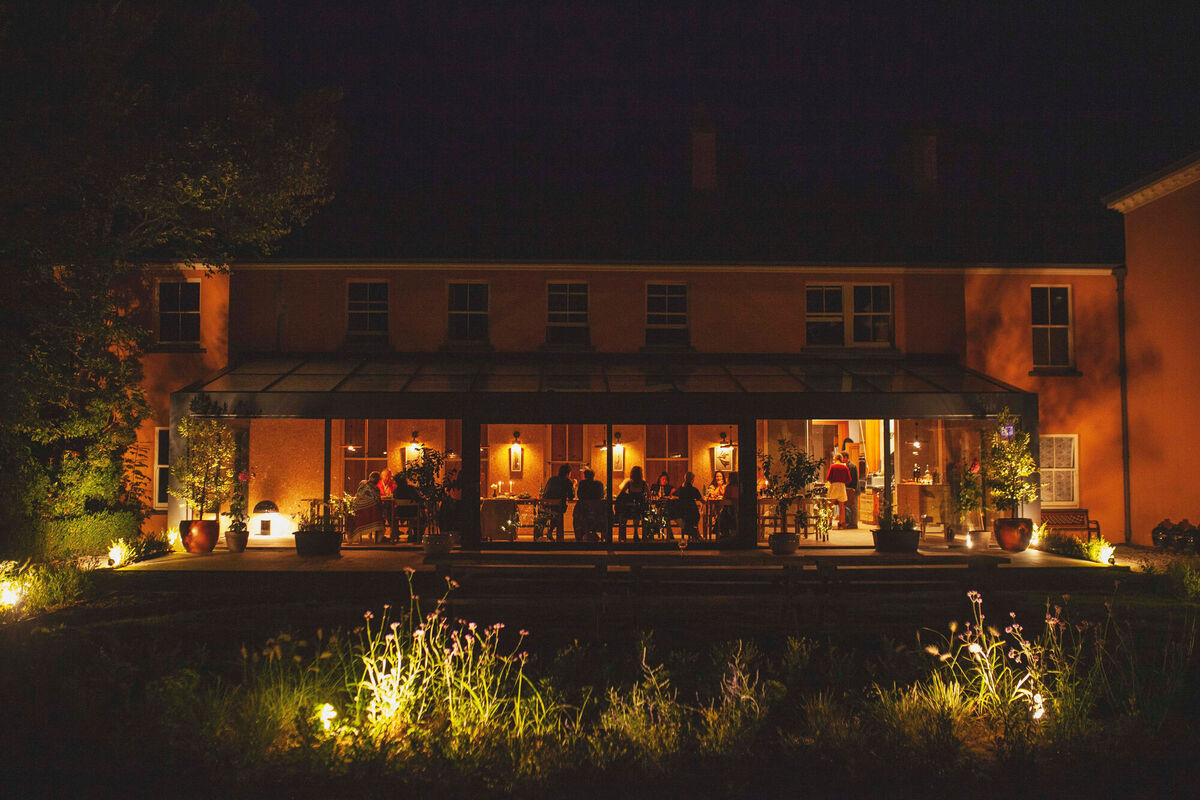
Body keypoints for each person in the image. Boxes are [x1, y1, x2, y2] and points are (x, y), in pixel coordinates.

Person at [538, 464, 575, 542]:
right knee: (557, 513)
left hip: (545, 507)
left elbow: (545, 493)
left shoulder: (551, 479)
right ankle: (550, 531)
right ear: (568, 473)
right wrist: (574, 486)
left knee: (551, 513)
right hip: (558, 508)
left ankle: (540, 533)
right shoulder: (567, 481)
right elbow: (571, 497)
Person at [615, 466, 649, 542]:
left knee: (626, 515)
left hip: (630, 508)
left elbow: (620, 494)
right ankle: (638, 533)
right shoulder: (643, 484)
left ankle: (623, 536)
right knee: (641, 514)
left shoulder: (629, 483)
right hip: (640, 508)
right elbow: (649, 495)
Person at [573, 468, 606, 543]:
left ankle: (579, 538)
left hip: (584, 513)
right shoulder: (599, 484)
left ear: (585, 476)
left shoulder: (582, 484)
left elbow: (579, 495)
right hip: (597, 514)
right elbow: (602, 496)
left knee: (577, 516)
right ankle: (602, 537)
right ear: (593, 475)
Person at [353, 471, 386, 543]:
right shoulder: (375, 489)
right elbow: (378, 501)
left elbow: (358, 496)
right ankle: (379, 537)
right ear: (377, 480)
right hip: (371, 516)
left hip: (359, 513)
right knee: (382, 513)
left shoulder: (362, 484)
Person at [673, 471, 704, 541]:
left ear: (685, 479)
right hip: (693, 512)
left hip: (682, 512)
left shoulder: (681, 489)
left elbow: (675, 495)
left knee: (691, 517)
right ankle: (694, 532)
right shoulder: (694, 490)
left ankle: (693, 532)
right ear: (692, 480)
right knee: (697, 515)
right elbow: (702, 500)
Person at [825, 453, 854, 529]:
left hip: (834, 486)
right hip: (842, 486)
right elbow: (848, 479)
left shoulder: (833, 466)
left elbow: (828, 478)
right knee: (842, 506)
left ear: (835, 459)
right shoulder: (845, 467)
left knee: (831, 505)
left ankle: (829, 523)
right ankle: (841, 523)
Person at [377, 468, 397, 541]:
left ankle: (394, 533)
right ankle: (382, 535)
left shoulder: (392, 484)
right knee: (386, 514)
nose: (388, 478)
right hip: (380, 506)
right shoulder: (378, 484)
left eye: (389, 476)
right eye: (386, 476)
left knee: (392, 514)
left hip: (390, 505)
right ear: (382, 476)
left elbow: (395, 494)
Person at [842, 451, 859, 529]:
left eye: (842, 458)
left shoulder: (851, 466)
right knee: (851, 506)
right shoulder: (848, 465)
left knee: (853, 506)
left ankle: (854, 523)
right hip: (851, 488)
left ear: (845, 458)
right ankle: (851, 522)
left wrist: (850, 488)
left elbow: (851, 479)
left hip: (853, 489)